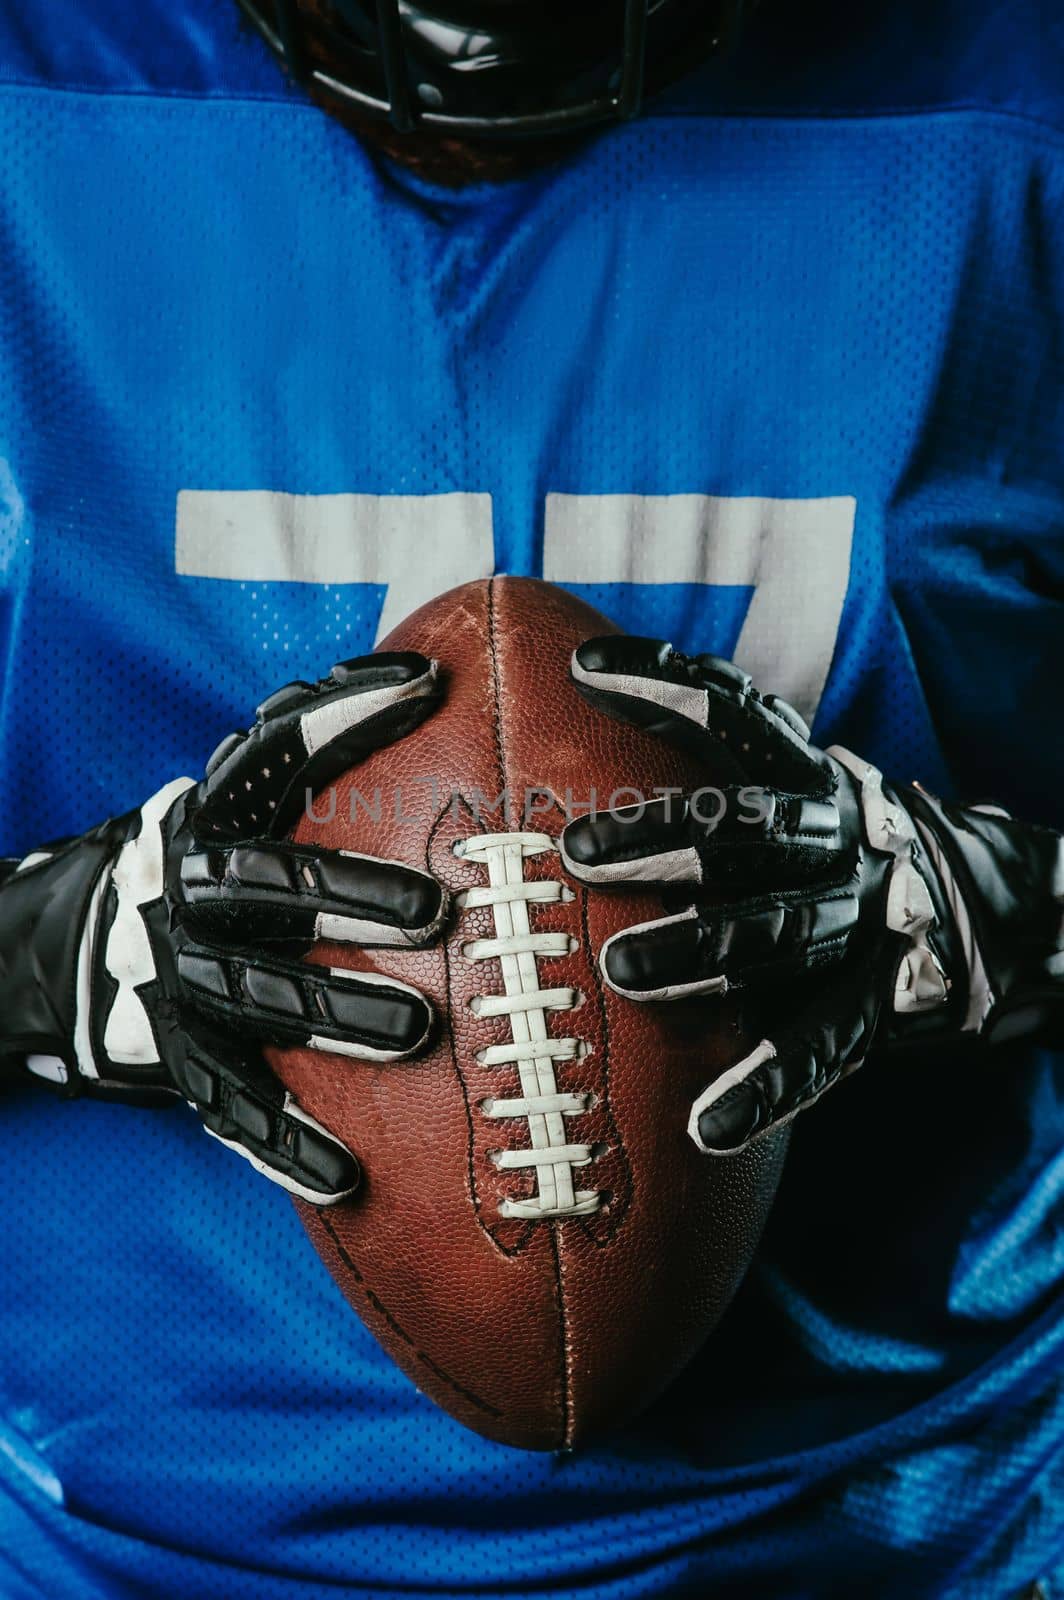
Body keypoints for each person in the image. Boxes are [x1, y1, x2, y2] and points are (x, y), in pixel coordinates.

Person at [0, 1, 1061, 1595]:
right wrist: (47, 953)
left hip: (898, 1524)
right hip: (118, 1544)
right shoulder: (39, 105)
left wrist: (980, 914)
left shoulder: (1010, 123)